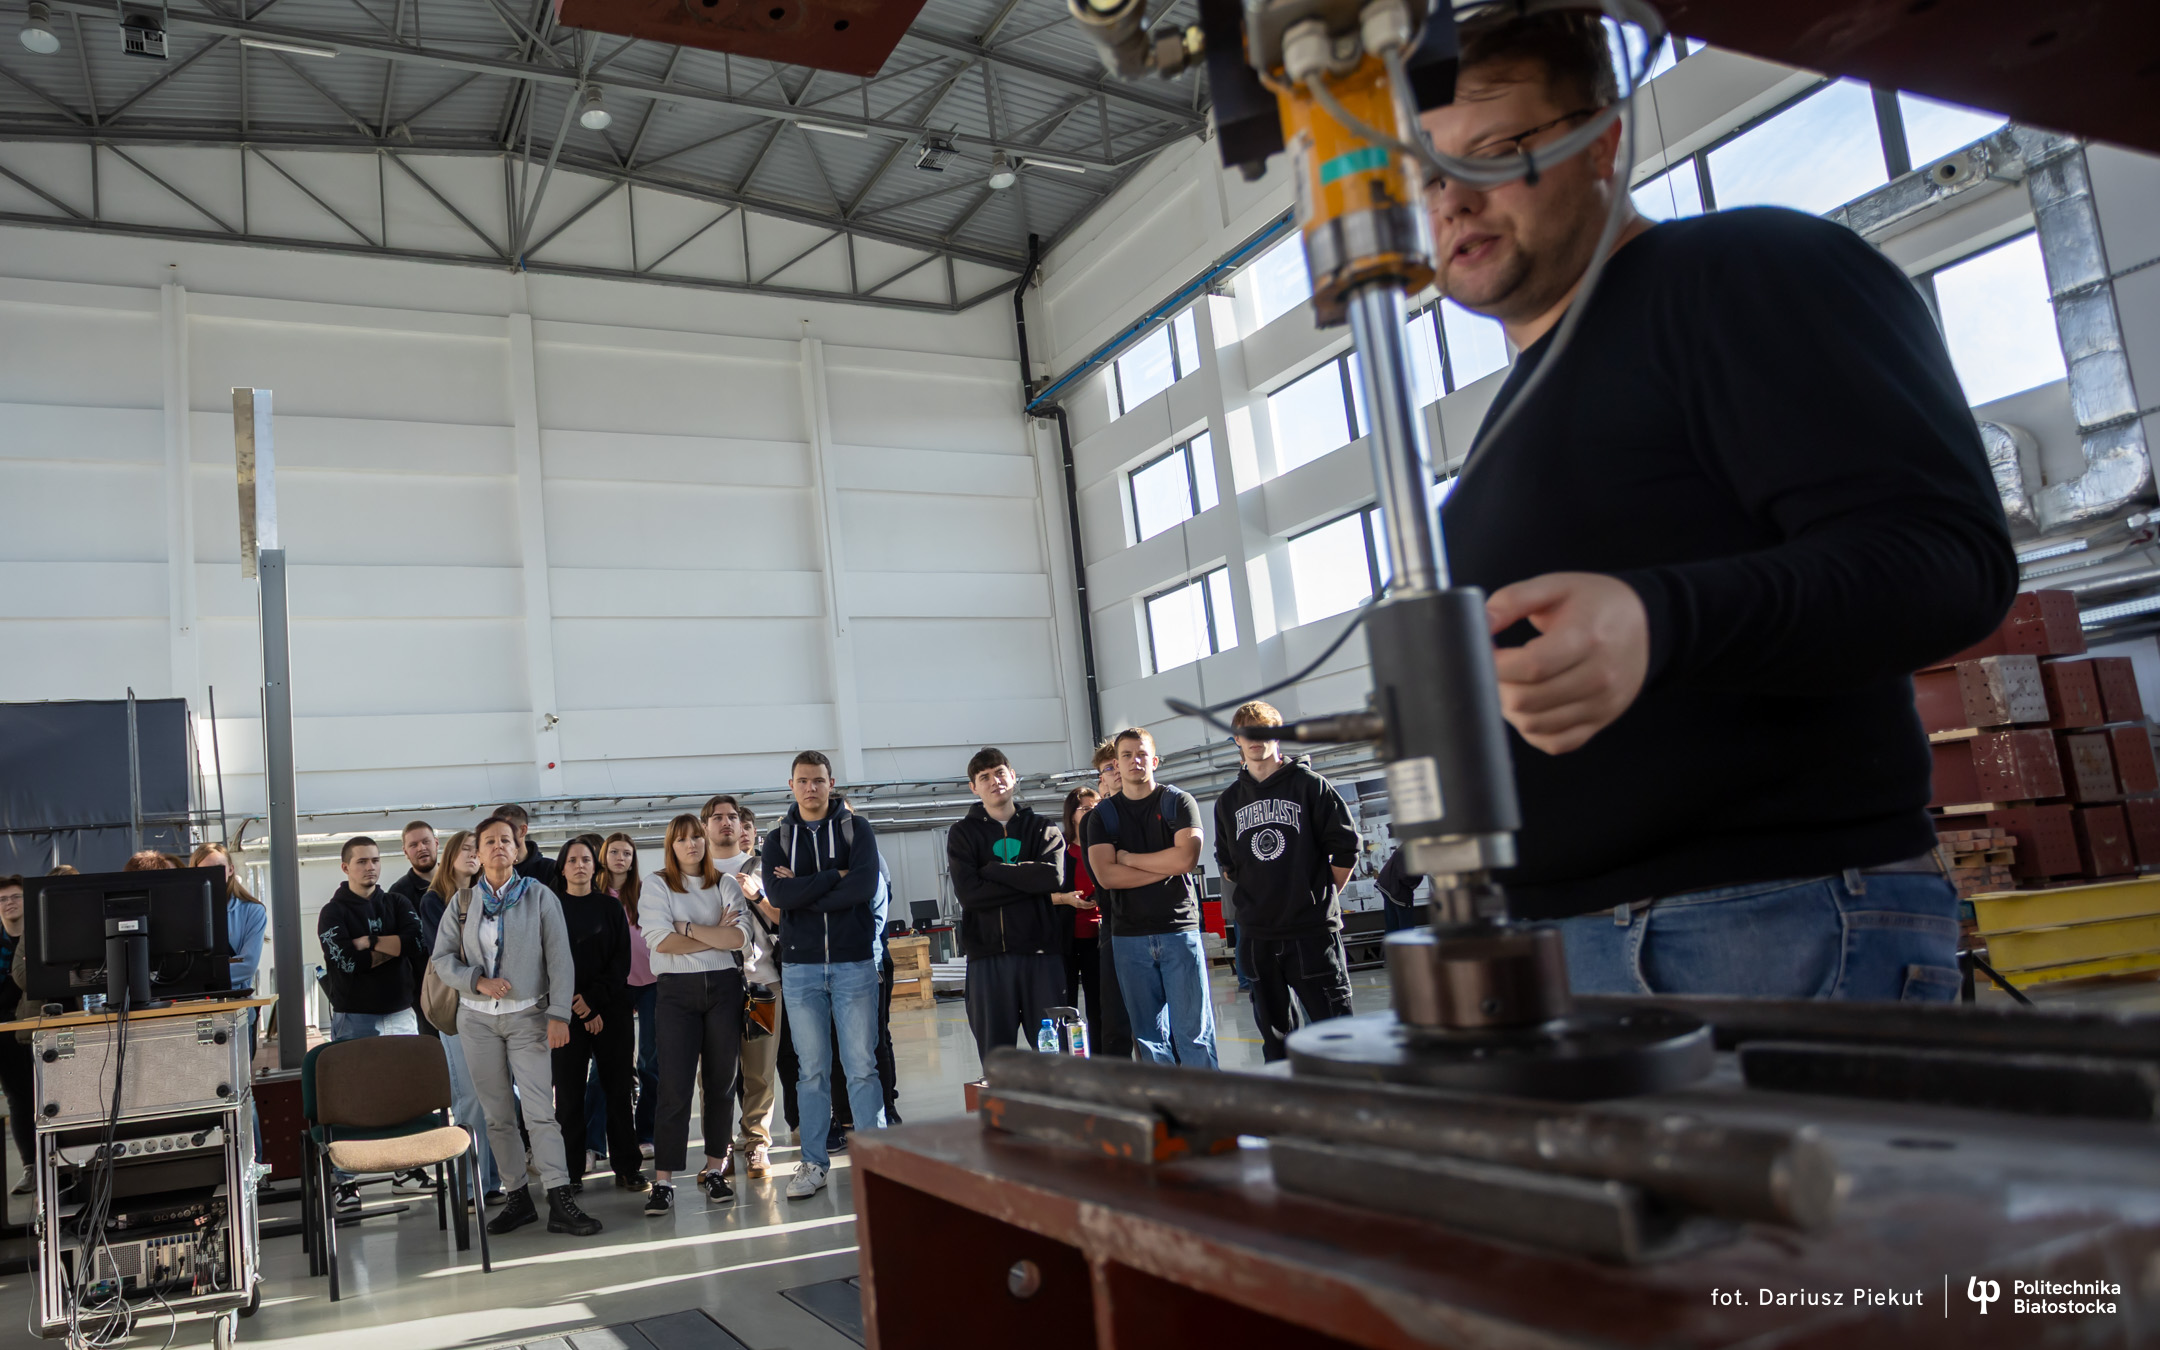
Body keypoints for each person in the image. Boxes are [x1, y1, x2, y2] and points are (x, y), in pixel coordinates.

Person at [1418, 10, 2011, 998]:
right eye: (1430, 177)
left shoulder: (1742, 270)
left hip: (1756, 926)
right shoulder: (1517, 410)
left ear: (1602, 141)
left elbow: (1948, 558)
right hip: (1573, 943)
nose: (1455, 201)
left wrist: (1659, 620)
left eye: (1495, 154)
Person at [430, 815, 599, 1238]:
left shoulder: (539, 896)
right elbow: (441, 959)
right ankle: (518, 1198)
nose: (499, 846)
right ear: (477, 852)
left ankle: (559, 1197)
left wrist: (559, 1014)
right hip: (476, 1021)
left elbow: (560, 959)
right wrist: (477, 981)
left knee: (541, 1112)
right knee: (498, 1115)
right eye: (489, 841)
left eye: (506, 839)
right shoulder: (462, 902)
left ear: (516, 847)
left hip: (529, 1017)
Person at [764, 751, 884, 1201]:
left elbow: (864, 886)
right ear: (791, 785)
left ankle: (875, 1162)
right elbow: (778, 895)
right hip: (801, 968)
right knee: (811, 1071)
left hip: (854, 963)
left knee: (862, 1067)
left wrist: (804, 888)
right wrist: (835, 875)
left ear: (831, 783)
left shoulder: (857, 829)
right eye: (803, 781)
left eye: (818, 780)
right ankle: (813, 1163)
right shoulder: (777, 838)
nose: (811, 788)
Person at [1213, 701, 1360, 1062]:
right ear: (1236, 740)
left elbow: (1346, 849)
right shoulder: (1228, 801)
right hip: (1258, 937)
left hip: (1311, 934)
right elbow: (1229, 865)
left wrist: (1317, 898)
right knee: (1277, 1044)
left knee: (1337, 1037)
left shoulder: (1310, 786)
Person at [639, 813, 755, 1217]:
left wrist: (686, 928)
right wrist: (712, 935)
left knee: (722, 1084)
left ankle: (715, 1170)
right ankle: (664, 1181)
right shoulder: (656, 884)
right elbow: (660, 941)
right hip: (676, 994)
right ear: (671, 846)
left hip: (725, 990)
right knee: (674, 1088)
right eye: (682, 839)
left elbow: (739, 938)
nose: (691, 845)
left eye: (696, 837)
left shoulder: (725, 884)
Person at [1084, 728, 1213, 1068]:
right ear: (1116, 764)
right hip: (1129, 938)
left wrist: (1129, 859)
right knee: (1149, 1039)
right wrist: (1165, 866)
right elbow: (1106, 876)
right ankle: (1163, 1101)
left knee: (1194, 1034)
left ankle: (1209, 1101)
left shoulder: (1178, 802)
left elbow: (1186, 859)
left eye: (1141, 754)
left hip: (1178, 931)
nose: (1135, 761)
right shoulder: (1102, 816)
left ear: (1154, 761)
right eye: (1126, 755)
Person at [315, 835, 426, 1207]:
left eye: (375, 860)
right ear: (345, 867)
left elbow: (416, 944)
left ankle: (406, 1170)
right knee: (352, 1098)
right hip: (355, 1017)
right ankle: (346, 1181)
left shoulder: (397, 902)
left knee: (406, 1093)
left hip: (402, 1014)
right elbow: (348, 962)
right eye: (362, 861)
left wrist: (370, 941)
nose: (370, 867)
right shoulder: (333, 913)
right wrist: (389, 948)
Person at [949, 748, 1078, 1066]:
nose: (994, 781)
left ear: (1013, 776)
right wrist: (1027, 882)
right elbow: (970, 895)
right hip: (988, 960)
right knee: (998, 1061)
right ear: (974, 787)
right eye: (984, 777)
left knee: (1054, 1059)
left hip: (1041, 958)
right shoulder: (963, 834)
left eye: (1000, 773)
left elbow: (1053, 877)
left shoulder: (1042, 828)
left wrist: (992, 870)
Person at [548, 837, 643, 1195]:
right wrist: (580, 1007)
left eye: (586, 860)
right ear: (562, 868)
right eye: (572, 860)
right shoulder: (550, 908)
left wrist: (594, 1003)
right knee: (569, 1095)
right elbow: (547, 962)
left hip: (610, 1010)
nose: (580, 865)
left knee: (618, 1090)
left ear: (594, 866)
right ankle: (571, 1172)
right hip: (565, 1013)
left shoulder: (610, 906)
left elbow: (621, 961)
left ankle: (627, 1167)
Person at [420, 830, 500, 1199]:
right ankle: (469, 1186)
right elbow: (448, 953)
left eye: (476, 849)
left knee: (497, 1098)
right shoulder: (434, 901)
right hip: (457, 1007)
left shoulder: (492, 895)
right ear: (450, 854)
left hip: (494, 1007)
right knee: (469, 1099)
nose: (472, 854)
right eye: (465, 848)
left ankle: (494, 1181)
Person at [706, 798, 780, 1180]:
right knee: (714, 1075)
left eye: (733, 817)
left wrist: (757, 895)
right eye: (717, 817)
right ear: (705, 827)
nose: (726, 823)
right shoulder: (693, 874)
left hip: (762, 983)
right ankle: (719, 1149)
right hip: (710, 986)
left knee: (760, 1070)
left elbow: (784, 919)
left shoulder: (764, 869)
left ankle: (756, 1144)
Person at [596, 832, 657, 1163]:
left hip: (651, 982)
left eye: (627, 854)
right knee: (606, 1065)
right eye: (615, 852)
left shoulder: (645, 891)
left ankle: (646, 1133)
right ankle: (595, 1143)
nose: (621, 858)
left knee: (651, 1060)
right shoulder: (594, 893)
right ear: (604, 856)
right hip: (614, 985)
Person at [1085, 741, 1134, 1059]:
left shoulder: (1157, 806)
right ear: (1100, 779)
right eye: (1108, 767)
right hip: (1115, 928)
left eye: (1119, 762)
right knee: (1115, 1021)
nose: (1116, 770)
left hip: (1158, 923)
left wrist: (1126, 861)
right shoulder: (1096, 821)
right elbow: (1104, 876)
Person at [1059, 787, 1109, 1057]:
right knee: (1066, 1003)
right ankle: (1068, 1060)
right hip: (1067, 937)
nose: (1093, 813)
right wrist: (1068, 900)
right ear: (1072, 815)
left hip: (1097, 936)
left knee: (1099, 1003)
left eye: (1097, 807)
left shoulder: (1103, 847)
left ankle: (1100, 1059)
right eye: (1086, 808)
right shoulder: (1061, 850)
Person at [191, 843, 266, 995]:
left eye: (219, 868)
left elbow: (247, 965)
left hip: (235, 1001)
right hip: (192, 1001)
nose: (214, 874)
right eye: (206, 869)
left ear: (231, 869)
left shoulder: (253, 911)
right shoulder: (186, 911)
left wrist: (196, 978)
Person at [0, 875, 30, 1196]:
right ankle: (30, 1167)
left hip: (39, 1024)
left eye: (15, 897)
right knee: (18, 1098)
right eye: (3, 899)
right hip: (6, 1030)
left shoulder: (40, 935)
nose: (9, 903)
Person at [492, 804, 562, 892]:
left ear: (523, 830)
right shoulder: (490, 872)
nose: (500, 837)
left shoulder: (550, 869)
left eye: (507, 830)